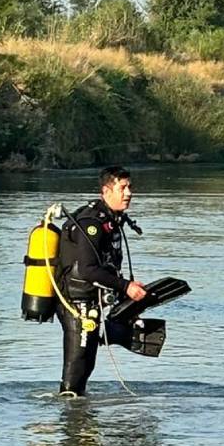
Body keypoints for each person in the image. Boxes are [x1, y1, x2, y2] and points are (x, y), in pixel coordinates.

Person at [54, 166, 147, 397]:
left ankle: (82, 418)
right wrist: (126, 286)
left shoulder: (113, 220)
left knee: (87, 365)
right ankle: (71, 422)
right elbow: (87, 270)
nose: (128, 193)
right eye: (122, 188)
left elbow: (108, 265)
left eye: (130, 187)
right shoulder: (91, 223)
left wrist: (127, 292)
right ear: (106, 191)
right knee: (77, 368)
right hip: (75, 303)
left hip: (91, 302)